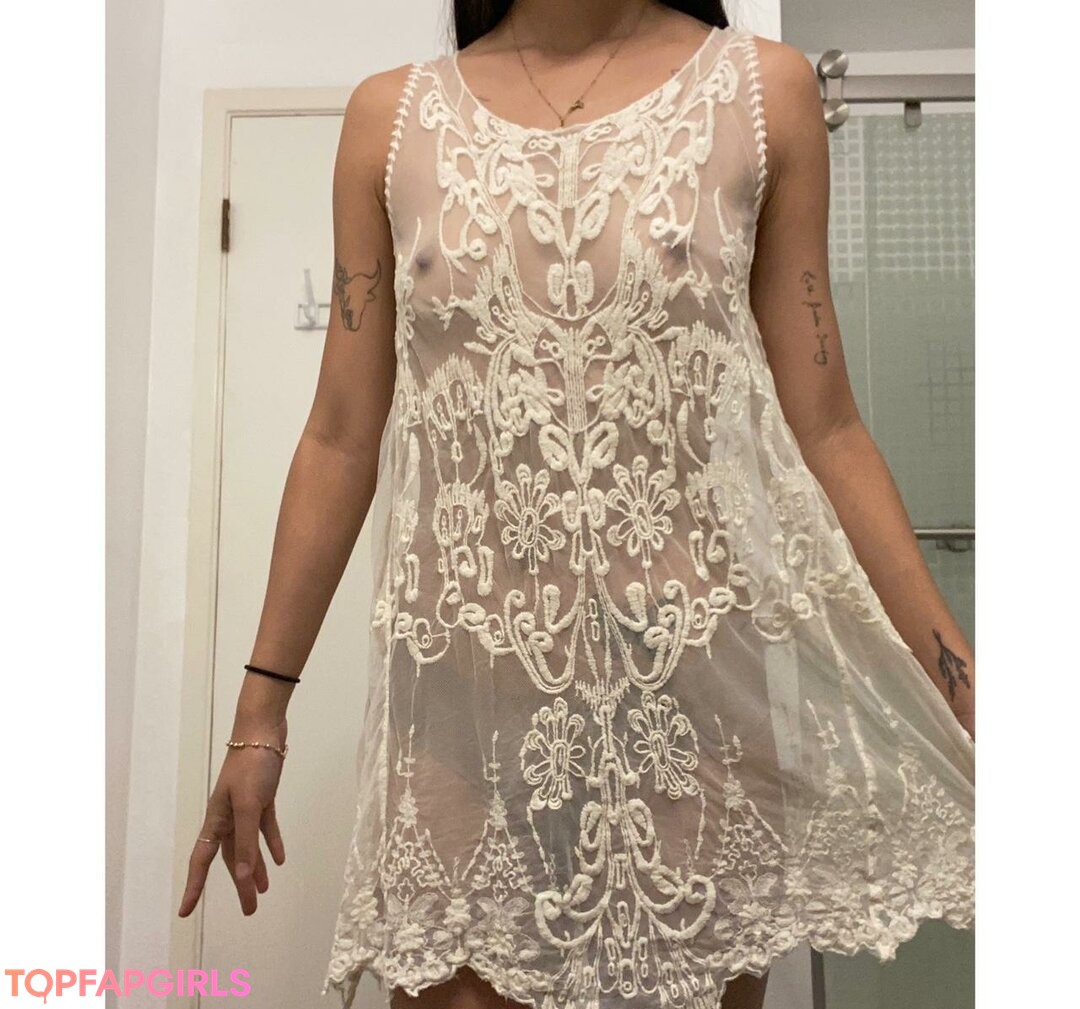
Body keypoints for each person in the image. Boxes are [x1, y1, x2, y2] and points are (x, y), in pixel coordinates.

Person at [178, 3, 976, 1009]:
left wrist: (960, 683)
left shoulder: (762, 93)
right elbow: (340, 436)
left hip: (701, 717)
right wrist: (259, 717)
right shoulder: (391, 120)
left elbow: (828, 430)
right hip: (463, 721)